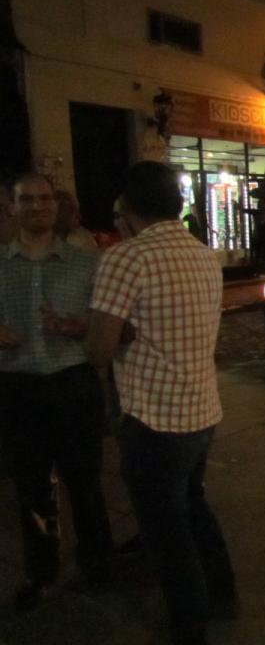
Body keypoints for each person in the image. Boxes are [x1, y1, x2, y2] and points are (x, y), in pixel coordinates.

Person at [85, 161, 237, 645]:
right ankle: (223, 593)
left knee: (166, 533)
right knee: (192, 505)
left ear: (128, 208)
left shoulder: (125, 258)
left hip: (153, 418)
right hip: (200, 410)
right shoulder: (202, 255)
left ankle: (189, 626)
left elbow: (99, 349)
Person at [0, 172, 114, 611]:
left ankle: (97, 562)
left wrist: (76, 325)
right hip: (17, 388)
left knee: (84, 481)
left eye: (44, 199)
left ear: (57, 205)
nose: (37, 206)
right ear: (13, 208)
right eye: (26, 199)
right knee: (31, 486)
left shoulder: (87, 263)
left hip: (73, 384)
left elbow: (105, 324)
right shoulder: (0, 263)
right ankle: (41, 569)